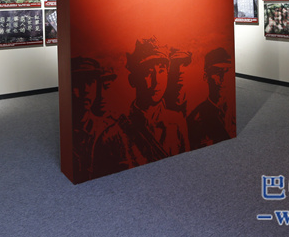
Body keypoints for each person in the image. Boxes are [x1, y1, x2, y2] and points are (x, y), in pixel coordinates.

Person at [92, 37, 188, 177]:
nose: (156, 81)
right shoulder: (112, 137)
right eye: (148, 72)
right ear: (133, 80)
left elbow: (185, 166)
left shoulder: (178, 122)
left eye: (161, 71)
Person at [71, 56, 116, 181]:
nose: (85, 90)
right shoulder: (67, 128)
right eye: (79, 83)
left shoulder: (108, 129)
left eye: (90, 82)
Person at [186, 47, 235, 150]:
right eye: (217, 72)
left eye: (226, 71)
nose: (223, 78)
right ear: (206, 75)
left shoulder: (234, 110)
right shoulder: (196, 119)